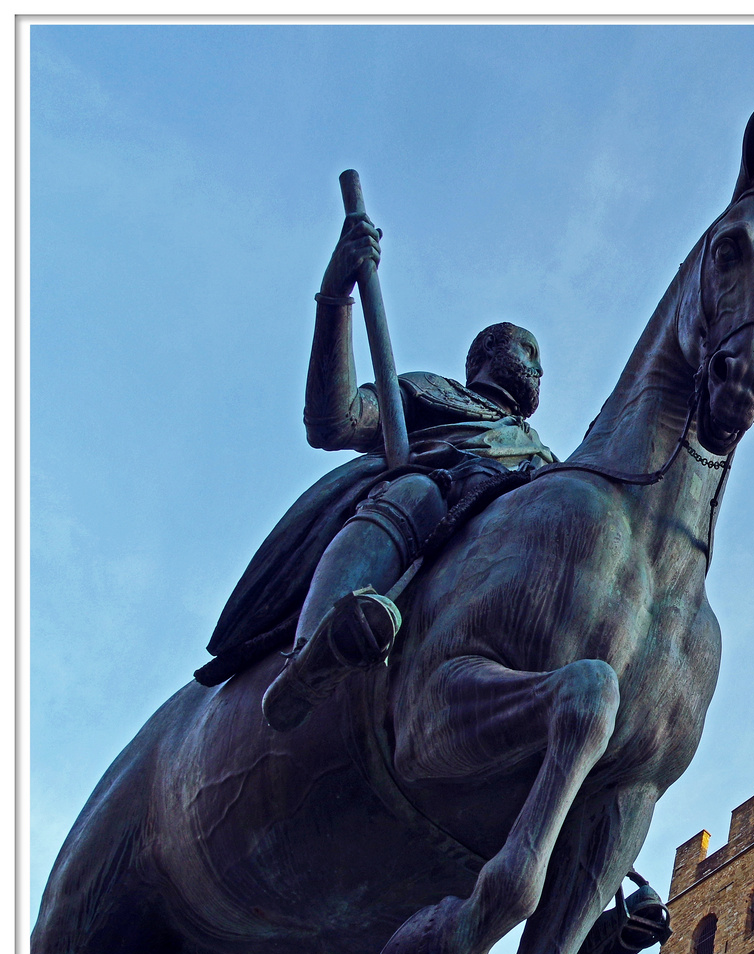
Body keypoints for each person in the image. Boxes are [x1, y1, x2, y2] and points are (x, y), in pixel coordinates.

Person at [194, 210, 557, 730]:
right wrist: (335, 296)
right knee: (416, 490)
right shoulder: (433, 392)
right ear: (483, 355)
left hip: (496, 559)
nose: (539, 369)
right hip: (425, 513)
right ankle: (314, 654)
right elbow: (334, 421)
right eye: (529, 350)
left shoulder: (542, 459)